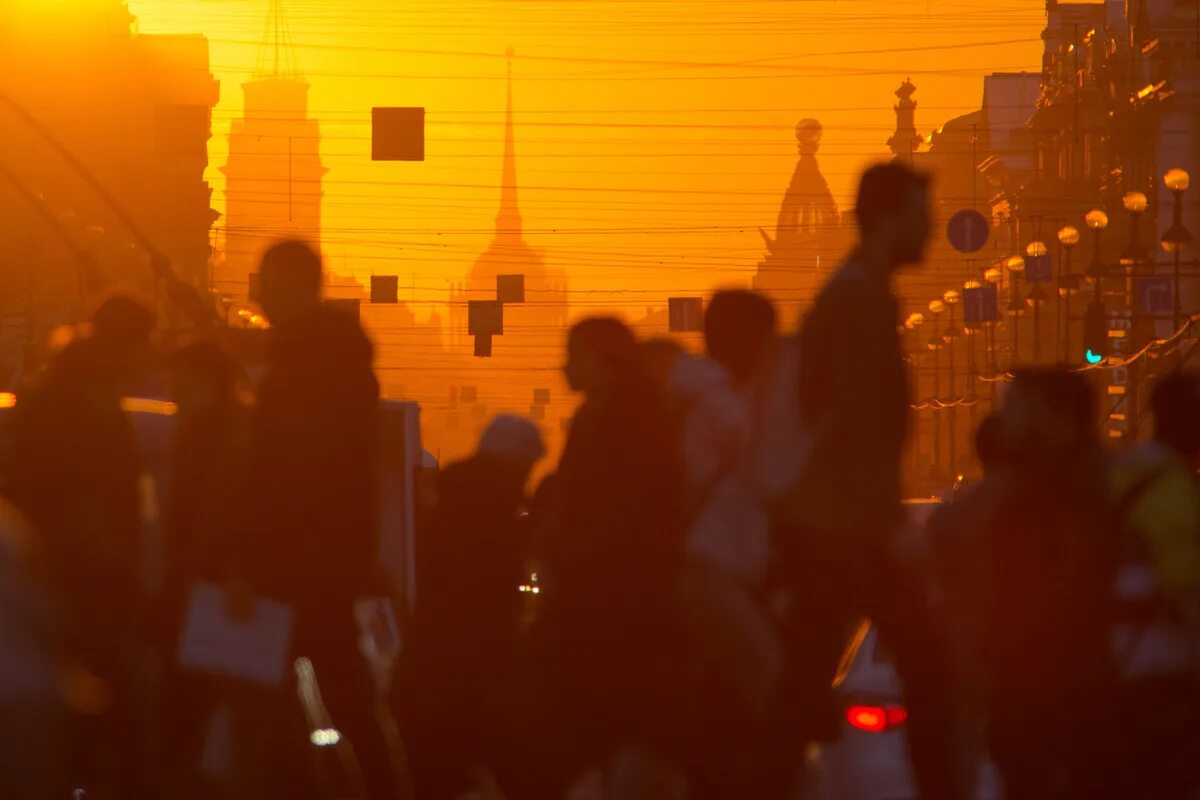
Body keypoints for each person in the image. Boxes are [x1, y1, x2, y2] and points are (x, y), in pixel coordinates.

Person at [774, 163, 963, 800]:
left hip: (841, 524)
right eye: (920, 216)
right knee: (931, 679)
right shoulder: (857, 300)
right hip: (850, 528)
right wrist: (891, 526)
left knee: (801, 683)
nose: (931, 230)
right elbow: (856, 424)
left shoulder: (862, 292)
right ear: (887, 220)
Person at [237, 240, 400, 800]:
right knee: (337, 697)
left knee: (266, 700)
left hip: (295, 566)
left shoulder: (303, 364)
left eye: (264, 280)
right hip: (327, 563)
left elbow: (281, 473)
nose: (256, 292)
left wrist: (251, 557)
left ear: (289, 285)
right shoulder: (331, 357)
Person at [2, 293, 155, 800]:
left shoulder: (58, 393)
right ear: (125, 342)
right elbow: (87, 507)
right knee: (105, 718)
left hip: (57, 586)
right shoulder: (84, 409)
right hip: (79, 590)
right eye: (141, 346)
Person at [536, 317, 688, 795]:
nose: (564, 368)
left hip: (623, 596)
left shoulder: (640, 416)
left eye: (573, 355)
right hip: (593, 589)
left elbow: (633, 503)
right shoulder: (594, 415)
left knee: (618, 713)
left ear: (604, 361)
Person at [983, 368, 1119, 800]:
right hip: (1030, 690)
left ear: (1048, 414)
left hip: (1070, 688)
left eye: (1015, 407)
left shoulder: (1087, 488)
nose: (1006, 419)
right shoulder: (1024, 488)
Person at [669, 290, 783, 797]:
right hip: (717, 568)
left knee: (710, 703)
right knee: (768, 695)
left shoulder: (696, 398)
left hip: (713, 567)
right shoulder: (726, 405)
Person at [395, 415, 545, 799]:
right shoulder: (491, 515)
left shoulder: (458, 501)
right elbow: (488, 603)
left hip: (434, 673)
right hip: (462, 678)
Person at [158, 338, 251, 799]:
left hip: (213, 602)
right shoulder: (220, 430)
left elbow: (207, 522)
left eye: (180, 381)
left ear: (203, 381)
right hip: (210, 597)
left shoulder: (217, 437)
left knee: (194, 717)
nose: (172, 391)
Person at [1106, 371, 1200, 797]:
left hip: (1110, 673)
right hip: (1165, 684)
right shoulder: (1175, 494)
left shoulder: (1122, 477)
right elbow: (1187, 597)